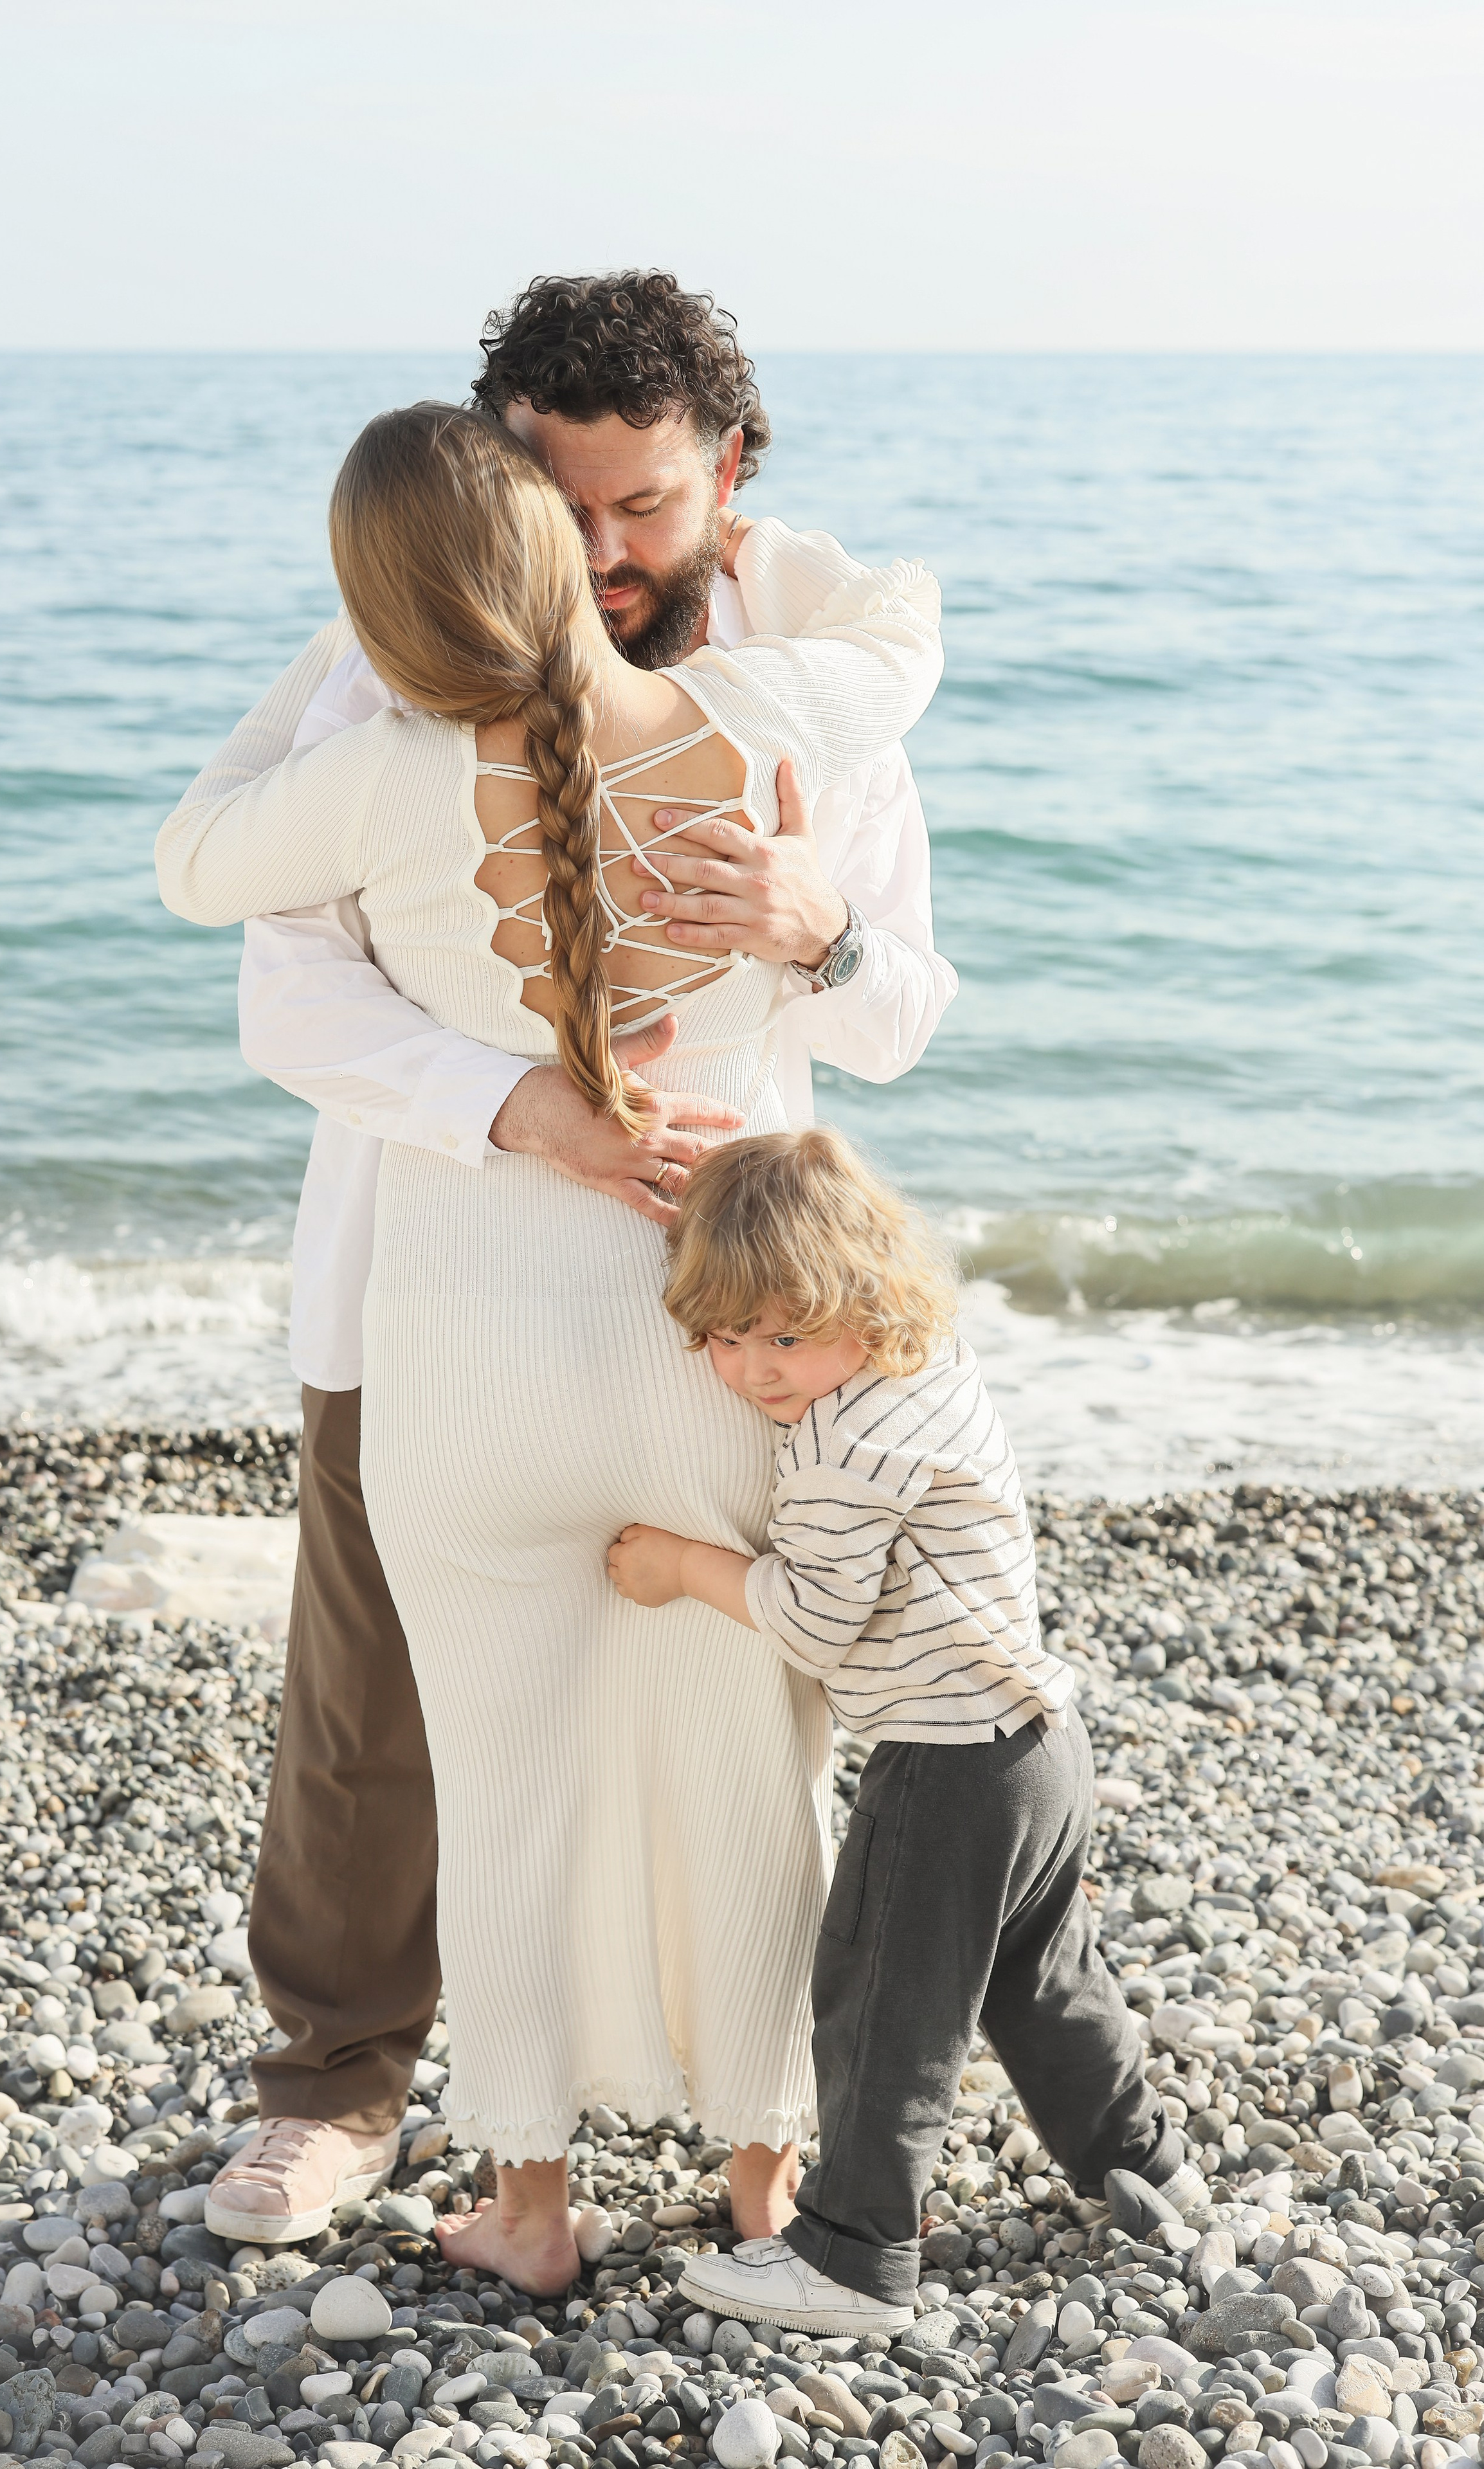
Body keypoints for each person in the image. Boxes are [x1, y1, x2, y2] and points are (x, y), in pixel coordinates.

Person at [190, 273, 955, 2250]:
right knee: (374, 1707)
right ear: (502, 477)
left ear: (732, 477)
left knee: (709, 1711)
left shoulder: (796, 678)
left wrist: (818, 931)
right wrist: (523, 1108)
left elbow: (902, 1017)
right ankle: (338, 2089)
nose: (604, 556)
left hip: (736, 1314)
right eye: (564, 504)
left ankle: (621, 2160)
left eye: (648, 510)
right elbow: (291, 1000)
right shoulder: (401, 654)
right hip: (425, 1263)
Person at [607, 1128, 1208, 2334]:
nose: (753, 1370)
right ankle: (1146, 2173)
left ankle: (852, 2256)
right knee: (1040, 1981)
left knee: (883, 2003)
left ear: (858, 1300)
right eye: (723, 1339)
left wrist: (682, 1563)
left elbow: (816, 1618)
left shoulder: (844, 1442)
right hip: (1040, 1747)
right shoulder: (926, 1365)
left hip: (942, 1760)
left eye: (784, 1335)